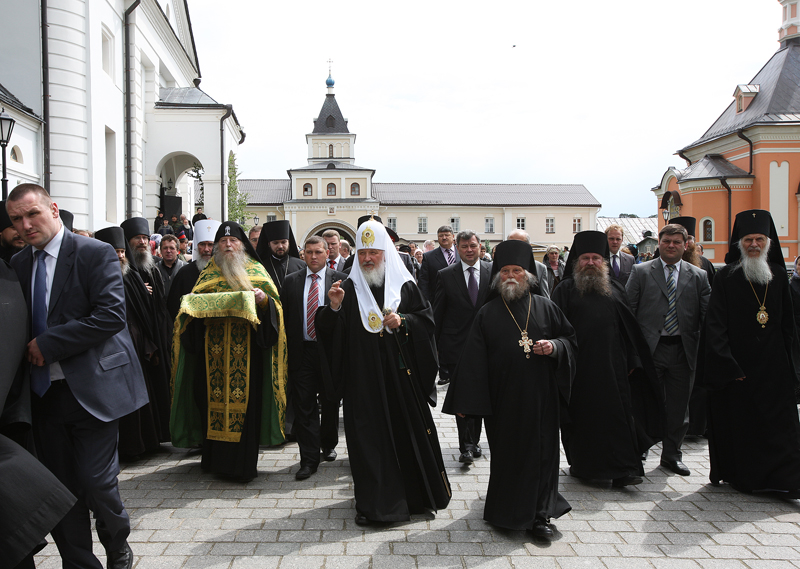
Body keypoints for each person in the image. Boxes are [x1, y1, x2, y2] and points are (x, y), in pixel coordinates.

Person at [6, 184, 148, 569]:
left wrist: (49, 343)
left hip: (93, 390)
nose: (25, 225)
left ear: (53, 209)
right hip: (43, 395)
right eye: (16, 219)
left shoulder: (93, 252)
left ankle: (117, 543)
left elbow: (110, 316)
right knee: (62, 490)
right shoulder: (18, 264)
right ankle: (80, 562)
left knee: (97, 482)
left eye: (32, 214)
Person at [316, 218, 450, 525]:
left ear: (385, 253)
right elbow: (327, 332)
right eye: (363, 253)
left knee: (405, 436)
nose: (367, 259)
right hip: (362, 381)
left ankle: (415, 499)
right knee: (369, 442)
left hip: (400, 379)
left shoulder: (404, 286)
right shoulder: (346, 289)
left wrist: (404, 322)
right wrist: (333, 308)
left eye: (373, 253)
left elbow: (426, 322)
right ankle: (375, 506)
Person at [443, 239, 577, 538]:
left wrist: (554, 347)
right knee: (508, 456)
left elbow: (570, 340)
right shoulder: (487, 313)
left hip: (542, 398)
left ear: (528, 276)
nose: (511, 276)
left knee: (543, 454)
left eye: (517, 270)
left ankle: (540, 515)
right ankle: (507, 512)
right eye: (505, 271)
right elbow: (473, 360)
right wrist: (467, 403)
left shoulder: (547, 307)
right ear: (497, 276)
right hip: (503, 400)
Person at [170, 222, 287, 482]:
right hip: (211, 354)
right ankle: (214, 460)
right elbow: (191, 309)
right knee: (209, 405)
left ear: (242, 245)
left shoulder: (256, 270)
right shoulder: (208, 273)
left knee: (245, 409)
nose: (228, 245)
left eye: (233, 241)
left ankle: (242, 467)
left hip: (248, 354)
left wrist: (264, 301)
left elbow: (276, 308)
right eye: (223, 242)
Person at [550, 231, 663, 487]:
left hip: (614, 368)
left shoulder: (615, 288)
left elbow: (629, 329)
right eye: (585, 258)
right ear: (577, 261)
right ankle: (585, 467)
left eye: (596, 258)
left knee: (619, 418)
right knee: (584, 421)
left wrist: (633, 360)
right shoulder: (564, 290)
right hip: (579, 371)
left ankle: (624, 469)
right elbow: (554, 329)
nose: (590, 263)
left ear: (603, 261)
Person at [701, 210, 800, 495]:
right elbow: (715, 324)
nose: (754, 244)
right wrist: (727, 364)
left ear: (768, 242)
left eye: (759, 239)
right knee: (743, 426)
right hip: (739, 369)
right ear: (739, 243)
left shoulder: (778, 275)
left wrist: (792, 365)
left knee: (779, 426)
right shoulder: (726, 276)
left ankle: (784, 481)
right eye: (748, 240)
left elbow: (788, 326)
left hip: (774, 368)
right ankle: (747, 478)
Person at [626, 223, 710, 476]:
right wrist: (631, 353)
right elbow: (628, 312)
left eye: (676, 242)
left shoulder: (699, 276)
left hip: (683, 351)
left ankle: (672, 455)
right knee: (644, 403)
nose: (671, 246)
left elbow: (707, 317)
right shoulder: (641, 271)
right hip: (650, 351)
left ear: (686, 245)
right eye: (666, 241)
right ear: (659, 244)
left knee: (679, 407)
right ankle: (639, 450)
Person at [96, 226, 172, 460]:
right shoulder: (95, 276)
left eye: (122, 252)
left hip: (136, 346)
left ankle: (144, 443)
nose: (120, 256)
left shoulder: (132, 276)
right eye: (115, 252)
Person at [281, 236, 346, 480]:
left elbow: (346, 319)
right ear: (303, 254)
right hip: (302, 352)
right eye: (309, 252)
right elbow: (286, 317)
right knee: (304, 405)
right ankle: (308, 459)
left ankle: (328, 443)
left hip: (329, 353)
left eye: (318, 252)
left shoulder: (342, 280)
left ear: (327, 253)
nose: (313, 256)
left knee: (330, 402)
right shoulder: (291, 281)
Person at [433, 229, 490, 464]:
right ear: (457, 248)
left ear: (479, 247)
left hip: (487, 346)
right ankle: (466, 446)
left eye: (473, 246)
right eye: (464, 246)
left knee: (481, 394)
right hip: (456, 346)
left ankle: (475, 441)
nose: (469, 250)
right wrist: (436, 348)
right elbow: (438, 312)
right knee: (462, 396)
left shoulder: (492, 271)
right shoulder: (446, 275)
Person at [167, 219, 221, 322]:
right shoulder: (184, 273)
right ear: (197, 246)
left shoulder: (224, 272)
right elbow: (173, 306)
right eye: (202, 244)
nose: (206, 249)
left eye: (210, 245)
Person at [257, 220, 306, 293]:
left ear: (289, 242)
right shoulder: (261, 267)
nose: (280, 246)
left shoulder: (301, 266)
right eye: (275, 243)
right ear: (269, 244)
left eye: (283, 242)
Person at [507, 229, 551, 298]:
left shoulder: (540, 268)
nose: (515, 247)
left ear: (528, 246)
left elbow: (545, 298)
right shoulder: (494, 266)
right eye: (511, 244)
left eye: (519, 244)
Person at [418, 225, 457, 301]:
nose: (444, 238)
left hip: (460, 300)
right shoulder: (429, 257)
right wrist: (426, 302)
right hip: (437, 300)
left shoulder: (462, 253)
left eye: (447, 235)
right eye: (441, 236)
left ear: (453, 236)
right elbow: (423, 281)